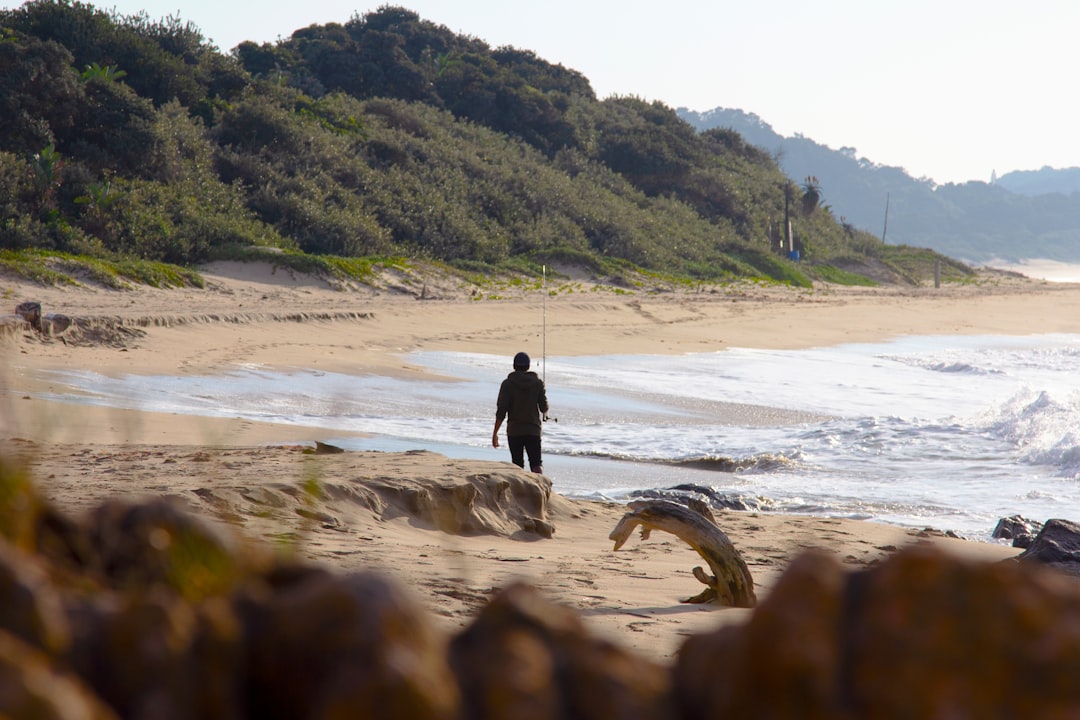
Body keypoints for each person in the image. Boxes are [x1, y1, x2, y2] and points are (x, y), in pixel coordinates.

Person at [492, 351, 549, 473]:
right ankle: (540, 489)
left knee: (517, 465)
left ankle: (521, 491)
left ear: (514, 366)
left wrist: (495, 433)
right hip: (533, 430)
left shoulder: (507, 384)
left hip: (514, 431)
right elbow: (544, 408)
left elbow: (501, 411)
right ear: (528, 366)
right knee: (536, 464)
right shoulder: (538, 383)